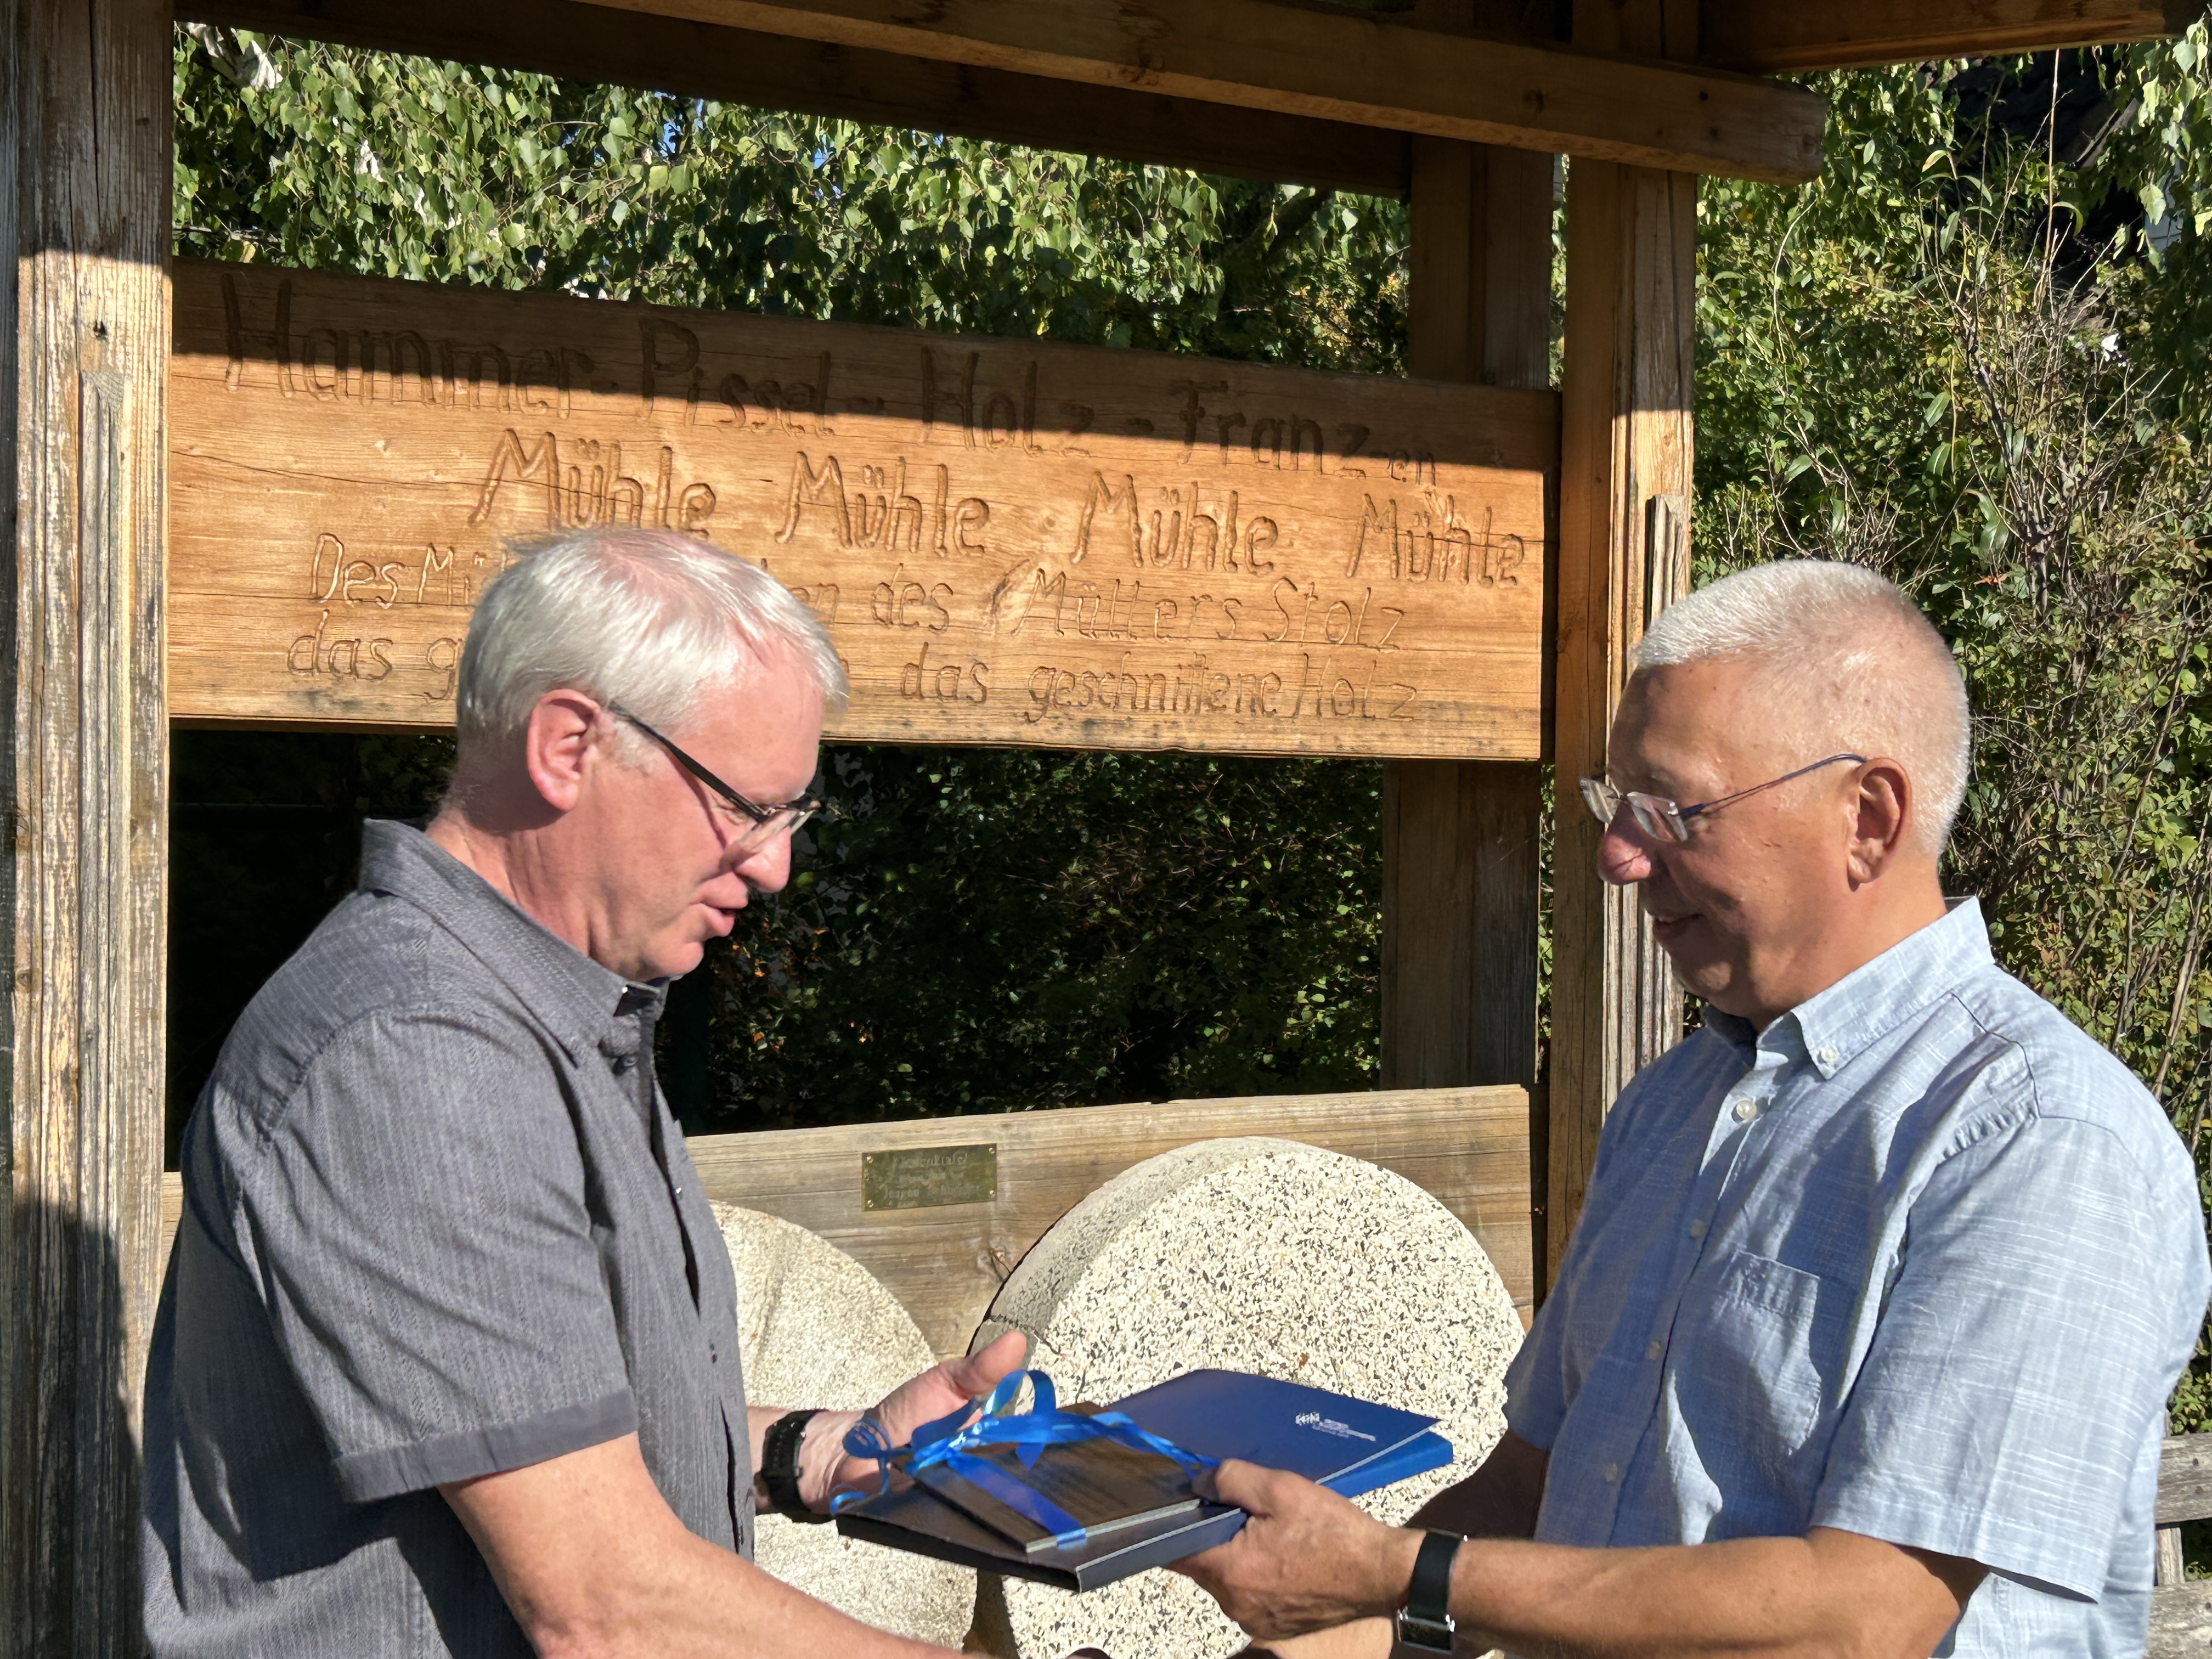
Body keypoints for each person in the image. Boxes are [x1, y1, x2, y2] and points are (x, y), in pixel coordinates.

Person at [1179, 560, 2211, 1658]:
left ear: (1868, 816)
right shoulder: (1674, 1106)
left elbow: (1864, 1620)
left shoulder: (2038, 1142)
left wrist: (1397, 1569)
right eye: (1614, 805)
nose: (1620, 856)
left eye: (1675, 809)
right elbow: (1532, 1494)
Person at [143, 527, 1029, 1657]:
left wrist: (820, 1453)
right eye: (748, 807)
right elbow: (605, 1605)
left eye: (793, 816)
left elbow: (547, 1448)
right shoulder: (416, 1056)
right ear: (569, 746)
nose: (775, 866)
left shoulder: (553, 1016)